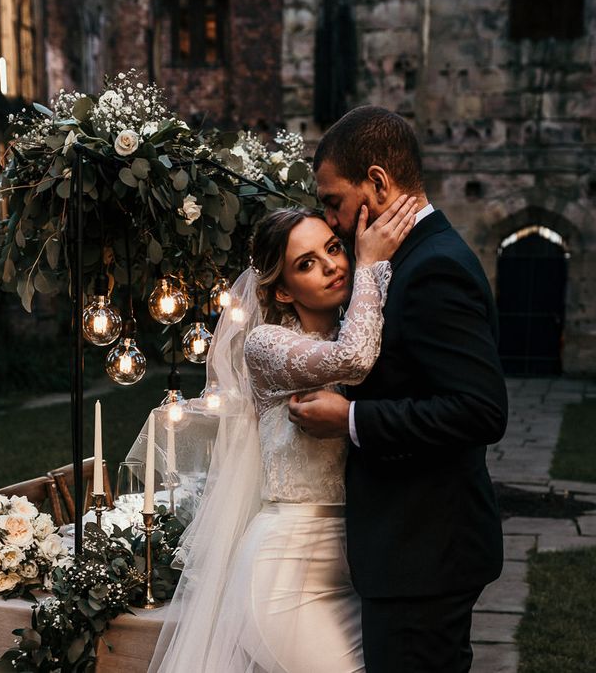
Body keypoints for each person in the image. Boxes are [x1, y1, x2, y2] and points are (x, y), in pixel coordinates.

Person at [148, 195, 417, 672]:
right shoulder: (266, 345)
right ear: (284, 291)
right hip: (286, 569)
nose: (334, 266)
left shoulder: (361, 324)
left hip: (353, 565)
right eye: (307, 264)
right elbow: (352, 361)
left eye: (335, 248)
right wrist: (371, 263)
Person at [288, 106, 508, 672]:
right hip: (409, 552)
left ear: (378, 182)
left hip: (426, 552)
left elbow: (480, 410)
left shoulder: (434, 268)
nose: (331, 220)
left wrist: (351, 419)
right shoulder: (396, 260)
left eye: (333, 200)